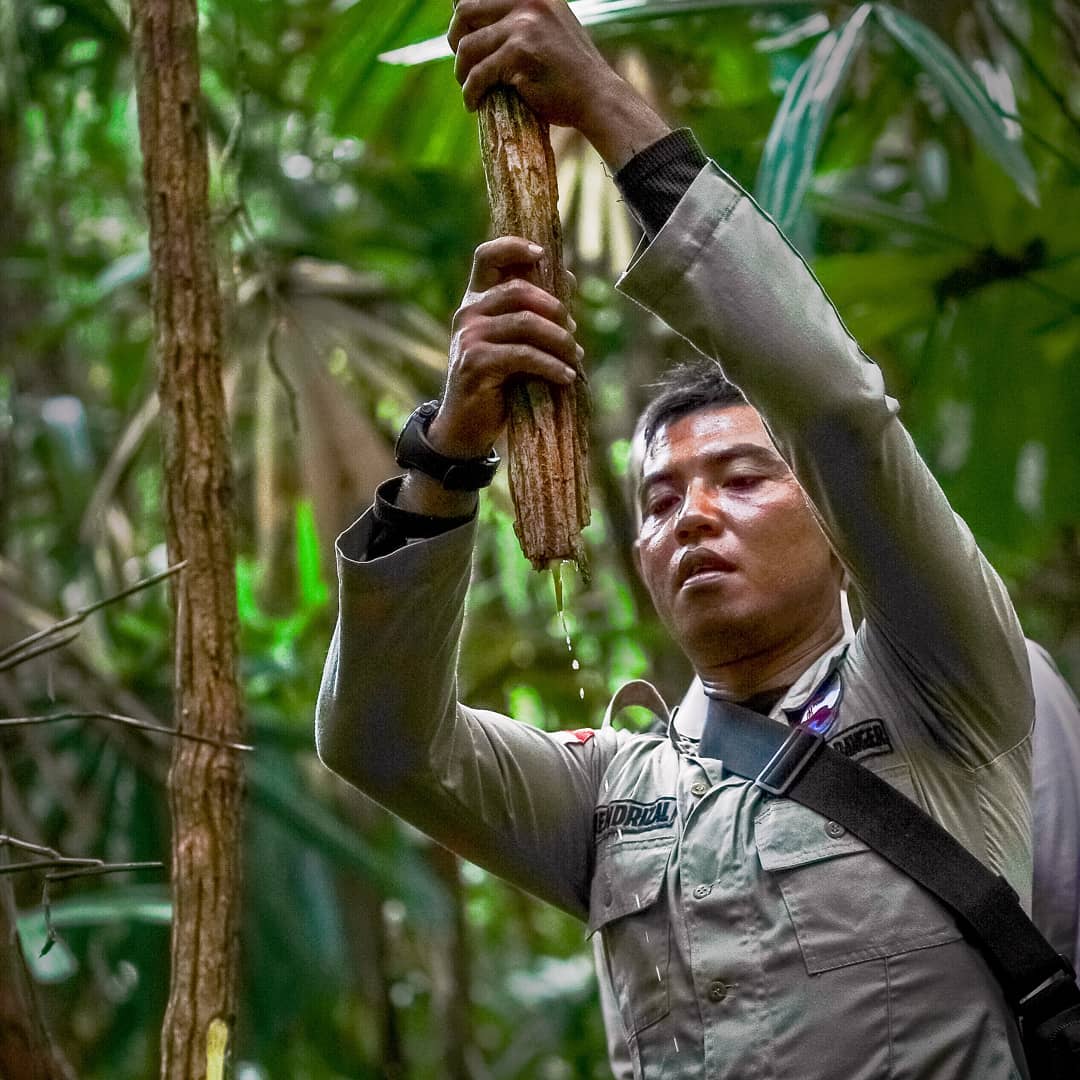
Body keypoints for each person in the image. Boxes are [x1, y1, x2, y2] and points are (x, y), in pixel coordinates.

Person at [316, 1, 1035, 1075]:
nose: (692, 512)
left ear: (840, 532)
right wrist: (448, 456)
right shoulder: (614, 792)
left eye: (745, 478)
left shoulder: (945, 686)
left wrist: (606, 109)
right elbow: (382, 743)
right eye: (658, 502)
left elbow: (835, 412)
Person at [594, 635, 1080, 1079]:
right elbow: (638, 1043)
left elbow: (1061, 917)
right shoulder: (640, 786)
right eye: (651, 529)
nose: (691, 531)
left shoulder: (978, 678)